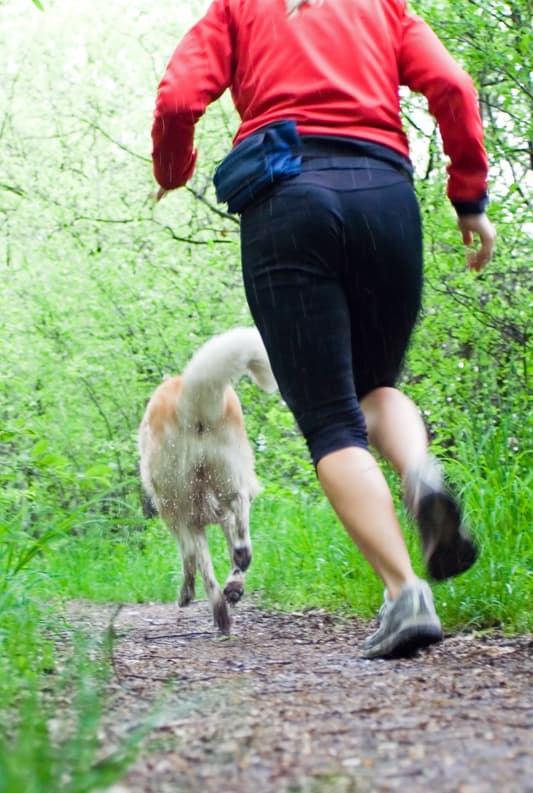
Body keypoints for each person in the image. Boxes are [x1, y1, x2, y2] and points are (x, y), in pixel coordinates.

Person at [151, 0, 496, 658]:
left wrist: (172, 170)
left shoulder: (238, 8)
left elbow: (176, 102)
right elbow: (452, 85)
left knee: (334, 423)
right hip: (386, 198)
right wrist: (469, 197)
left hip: (288, 199)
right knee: (377, 388)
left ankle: (405, 593)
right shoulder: (384, 6)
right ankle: (420, 472)